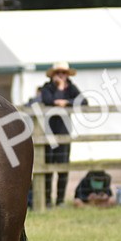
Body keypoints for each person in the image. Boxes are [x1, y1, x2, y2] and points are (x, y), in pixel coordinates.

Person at [40, 61, 81, 206]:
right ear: (53, 75)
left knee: (63, 168)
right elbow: (48, 100)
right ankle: (47, 200)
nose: (62, 76)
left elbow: (83, 101)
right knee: (48, 168)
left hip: (64, 132)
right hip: (49, 133)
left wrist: (66, 102)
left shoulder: (71, 87)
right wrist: (60, 89)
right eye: (59, 73)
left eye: (64, 73)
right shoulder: (47, 87)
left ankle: (60, 200)